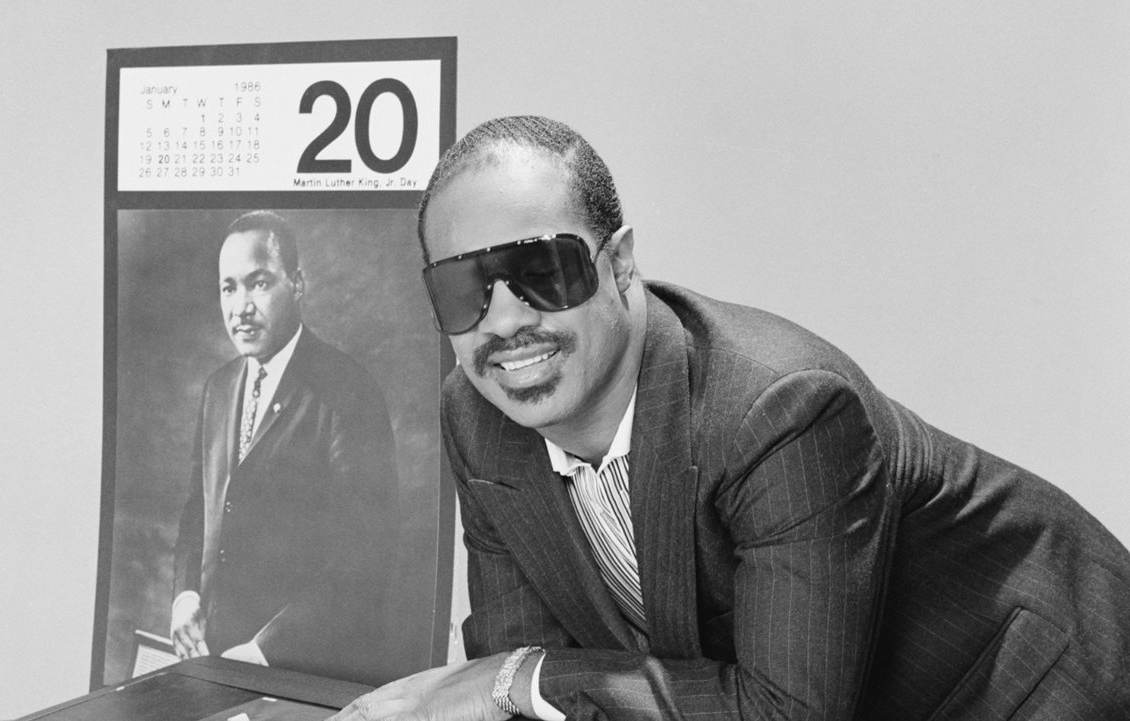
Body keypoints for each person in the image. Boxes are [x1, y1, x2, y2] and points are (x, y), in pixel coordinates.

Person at [334, 117, 1130, 720]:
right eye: (462, 290)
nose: (503, 322)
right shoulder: (475, 417)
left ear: (619, 266)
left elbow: (784, 710)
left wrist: (513, 679)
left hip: (1028, 677)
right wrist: (509, 680)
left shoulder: (783, 408)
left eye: (540, 271)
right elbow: (521, 671)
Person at [171, 210, 398, 676]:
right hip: (215, 663)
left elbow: (367, 553)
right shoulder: (217, 388)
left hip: (301, 670)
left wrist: (266, 650)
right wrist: (185, 595)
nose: (240, 308)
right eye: (228, 288)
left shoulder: (348, 391)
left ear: (297, 284)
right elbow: (199, 509)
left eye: (259, 283)